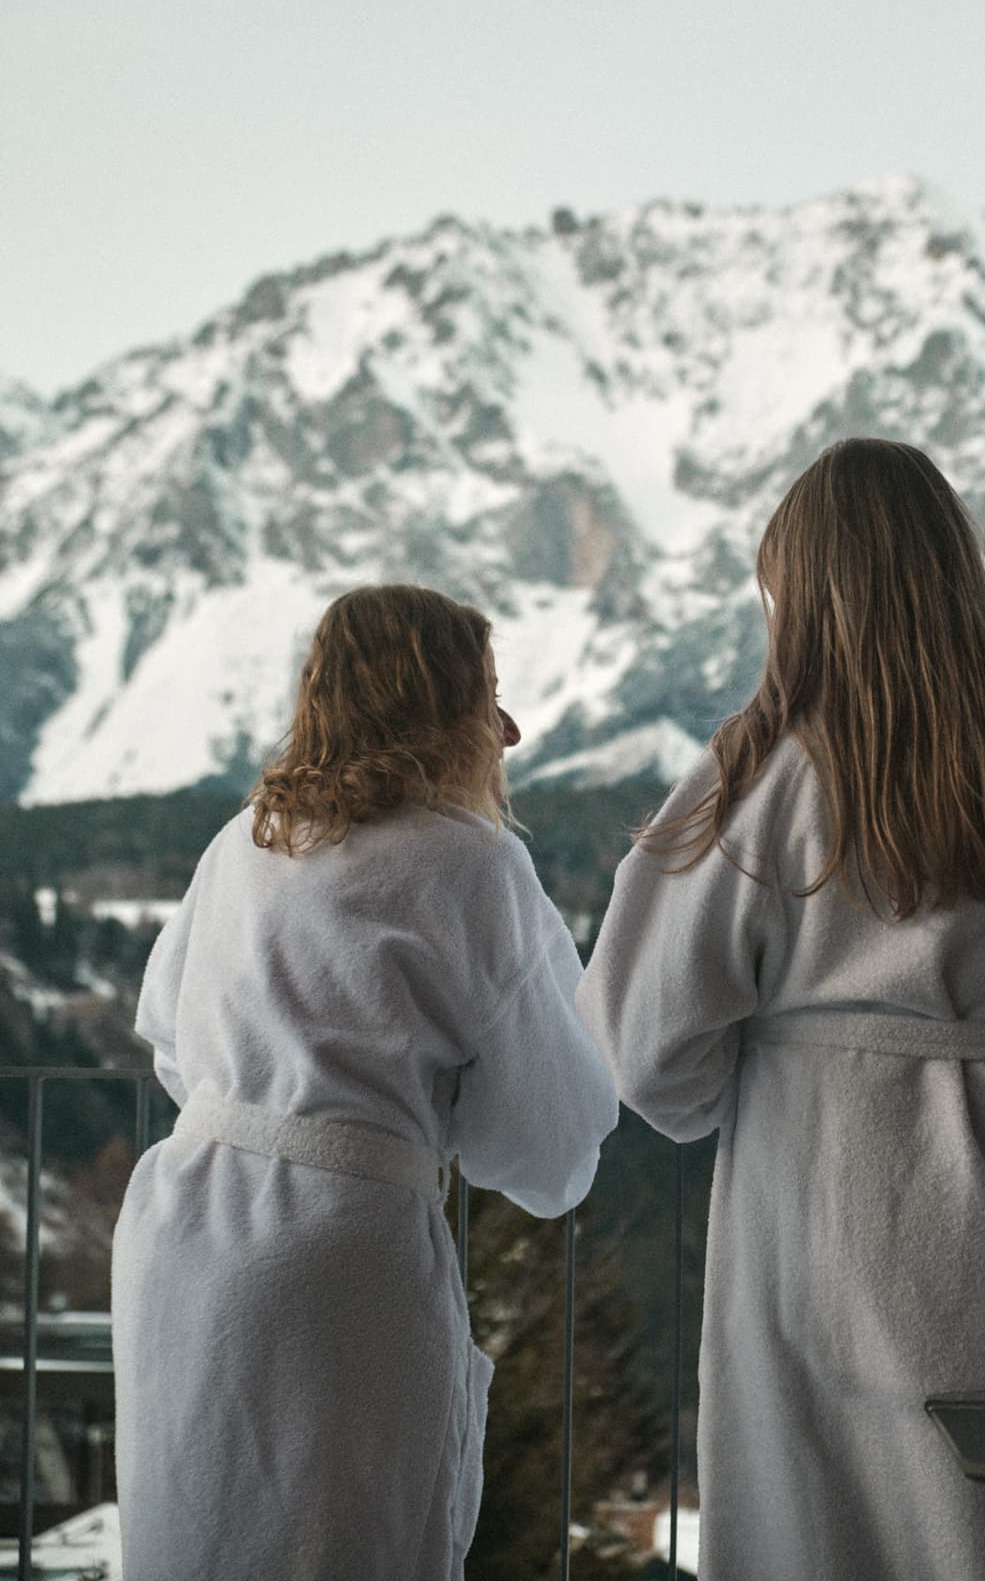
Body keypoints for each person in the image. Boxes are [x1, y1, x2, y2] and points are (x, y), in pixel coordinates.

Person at [575, 438, 985, 1581]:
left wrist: (751, 1085)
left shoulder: (757, 773)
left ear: (798, 596)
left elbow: (641, 1042)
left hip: (815, 1231)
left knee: (814, 1533)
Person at [111, 583, 617, 1581]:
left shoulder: (247, 837)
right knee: (349, 1544)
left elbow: (168, 1036)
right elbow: (549, 1138)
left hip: (178, 1235)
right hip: (339, 1257)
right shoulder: (472, 867)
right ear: (444, 707)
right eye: (489, 696)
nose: (507, 731)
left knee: (192, 1537)